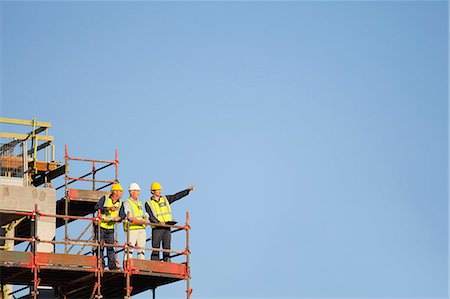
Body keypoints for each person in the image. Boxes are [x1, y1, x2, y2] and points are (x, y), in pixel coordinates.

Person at [145, 182, 195, 262]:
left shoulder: (165, 199)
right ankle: (155, 263)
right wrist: (158, 222)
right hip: (157, 228)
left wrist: (187, 190)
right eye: (158, 190)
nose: (160, 191)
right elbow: (150, 216)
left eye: (160, 190)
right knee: (156, 247)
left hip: (167, 226)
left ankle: (167, 262)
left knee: (167, 247)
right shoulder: (148, 203)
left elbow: (176, 196)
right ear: (153, 191)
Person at [94, 183, 125, 270]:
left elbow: (123, 215)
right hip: (101, 226)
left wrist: (119, 218)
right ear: (114, 192)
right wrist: (108, 208)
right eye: (120, 191)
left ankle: (112, 266)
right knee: (100, 247)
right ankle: (101, 265)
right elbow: (97, 207)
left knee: (111, 247)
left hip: (110, 228)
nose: (122, 193)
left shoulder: (120, 203)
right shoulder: (105, 198)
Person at [123, 183, 147, 261]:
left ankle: (141, 266)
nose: (138, 193)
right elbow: (129, 216)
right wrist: (139, 221)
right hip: (132, 228)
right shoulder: (127, 203)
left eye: (138, 191)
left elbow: (143, 215)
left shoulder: (139, 203)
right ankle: (127, 265)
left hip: (141, 229)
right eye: (136, 191)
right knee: (129, 249)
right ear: (131, 192)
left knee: (141, 249)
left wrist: (144, 219)